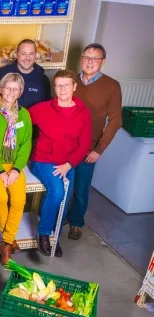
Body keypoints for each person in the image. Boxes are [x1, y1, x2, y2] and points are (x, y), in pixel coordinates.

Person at [29, 70, 92, 257]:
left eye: (66, 85)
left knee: (65, 199)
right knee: (57, 192)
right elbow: (18, 119)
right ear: (54, 87)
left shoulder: (82, 112)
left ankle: (55, 237)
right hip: (44, 160)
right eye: (58, 85)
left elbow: (85, 143)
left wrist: (69, 164)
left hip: (68, 163)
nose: (62, 89)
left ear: (74, 87)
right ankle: (44, 234)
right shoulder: (42, 109)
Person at [68, 43, 122, 240]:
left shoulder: (111, 86)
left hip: (89, 147)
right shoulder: (71, 80)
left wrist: (99, 149)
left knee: (81, 189)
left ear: (102, 61)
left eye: (94, 58)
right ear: (81, 59)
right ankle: (59, 220)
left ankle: (76, 223)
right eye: (86, 57)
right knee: (63, 186)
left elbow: (116, 121)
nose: (89, 62)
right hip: (65, 146)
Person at [0, 73, 32, 265]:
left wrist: (16, 169)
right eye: (8, 87)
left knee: (19, 199)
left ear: (20, 92)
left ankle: (6, 242)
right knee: (1, 197)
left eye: (15, 89)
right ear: (1, 89)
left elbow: (26, 144)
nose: (11, 92)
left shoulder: (24, 115)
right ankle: (10, 241)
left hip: (15, 166)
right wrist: (1, 171)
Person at [0, 39, 51, 109]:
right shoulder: (1, 74)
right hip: (5, 118)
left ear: (35, 55)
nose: (27, 58)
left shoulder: (43, 80)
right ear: (17, 54)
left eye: (31, 54)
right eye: (23, 54)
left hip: (33, 119)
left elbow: (46, 107)